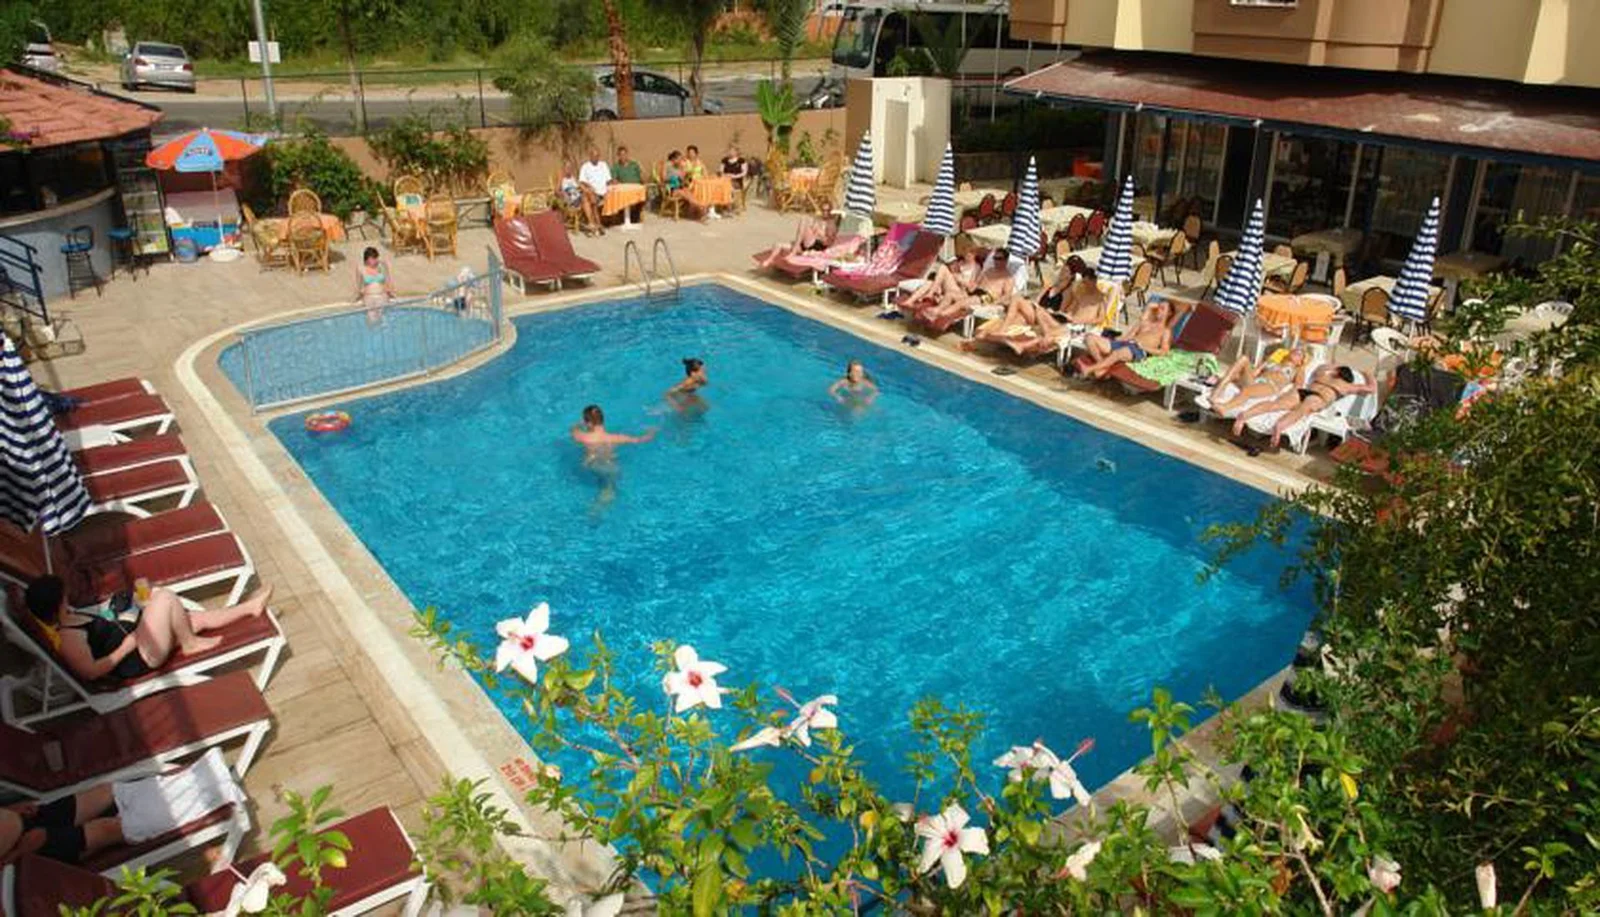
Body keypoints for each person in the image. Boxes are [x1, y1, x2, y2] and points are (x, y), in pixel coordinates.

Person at [0, 748, 241, 867]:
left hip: (28, 820)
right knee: (109, 827)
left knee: (106, 791)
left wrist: (13, 810)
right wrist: (17, 854)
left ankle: (195, 780)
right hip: (29, 856)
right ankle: (209, 797)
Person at [24, 575, 273, 685]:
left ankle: (250, 608)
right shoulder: (68, 638)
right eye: (63, 595)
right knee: (164, 597)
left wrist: (125, 610)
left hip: (136, 639)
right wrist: (125, 648)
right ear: (57, 604)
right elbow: (91, 672)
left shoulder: (70, 615)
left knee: (193, 619)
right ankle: (190, 644)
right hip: (138, 657)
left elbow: (102, 629)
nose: (67, 595)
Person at [1233, 363, 1374, 448]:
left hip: (1303, 391)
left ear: (1337, 372)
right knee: (1299, 412)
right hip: (1318, 398)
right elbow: (1371, 388)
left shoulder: (1323, 375)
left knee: (1274, 405)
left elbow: (1322, 366)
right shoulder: (1347, 386)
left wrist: (1334, 367)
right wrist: (1368, 374)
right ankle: (1279, 428)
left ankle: (1244, 416)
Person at [913, 249, 1016, 333]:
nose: (996, 261)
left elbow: (1007, 295)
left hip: (987, 297)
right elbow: (975, 284)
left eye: (999, 259)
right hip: (975, 292)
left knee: (961, 303)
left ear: (1005, 260)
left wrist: (995, 303)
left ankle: (939, 314)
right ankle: (937, 309)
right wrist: (964, 286)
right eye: (995, 258)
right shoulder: (989, 271)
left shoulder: (1008, 277)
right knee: (950, 294)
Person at [571, 405, 656, 505]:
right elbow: (641, 440)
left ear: (588, 423)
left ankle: (598, 507)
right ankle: (606, 496)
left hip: (594, 465)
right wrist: (651, 431)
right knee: (609, 485)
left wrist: (578, 424)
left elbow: (573, 430)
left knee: (604, 487)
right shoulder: (616, 438)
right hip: (613, 467)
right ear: (603, 420)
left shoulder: (584, 438)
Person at [1075, 299, 1173, 379]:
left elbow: (1164, 351)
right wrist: (1112, 339)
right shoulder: (1145, 322)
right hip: (1126, 343)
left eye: (1162, 309)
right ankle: (1102, 366)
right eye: (1158, 307)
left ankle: (1088, 369)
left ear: (1169, 313)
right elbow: (1127, 337)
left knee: (1119, 352)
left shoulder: (1165, 331)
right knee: (1089, 338)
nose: (1158, 310)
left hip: (1138, 350)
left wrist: (1144, 347)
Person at [1206, 349, 1308, 417]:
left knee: (1247, 390)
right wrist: (1237, 377)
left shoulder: (1298, 370)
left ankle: (1225, 408)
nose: (1296, 352)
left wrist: (1286, 398)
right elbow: (1255, 373)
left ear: (1300, 362)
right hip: (1257, 381)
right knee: (1244, 359)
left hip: (1270, 386)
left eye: (1299, 354)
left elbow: (1298, 386)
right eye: (1295, 350)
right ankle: (1216, 393)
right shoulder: (1273, 362)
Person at [968, 295, 1068, 356]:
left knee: (1018, 300)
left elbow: (1065, 311)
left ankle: (1002, 331)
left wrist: (1056, 313)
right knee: (1018, 316)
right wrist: (1032, 302)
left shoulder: (1067, 291)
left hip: (1051, 317)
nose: (1063, 272)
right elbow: (1038, 299)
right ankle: (989, 336)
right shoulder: (1050, 287)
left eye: (1066, 270)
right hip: (1038, 312)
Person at [353, 246, 394, 325]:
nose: (375, 260)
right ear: (367, 259)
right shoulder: (361, 268)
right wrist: (358, 296)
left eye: (376, 258)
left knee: (383, 320)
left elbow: (388, 279)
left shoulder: (380, 267)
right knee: (371, 319)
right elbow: (358, 285)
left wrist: (390, 292)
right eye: (373, 258)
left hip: (382, 295)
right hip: (369, 297)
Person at [577, 148, 612, 235]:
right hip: (591, 193)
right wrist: (588, 190)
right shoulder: (585, 167)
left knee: (586, 198)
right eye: (593, 156)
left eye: (597, 156)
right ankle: (596, 224)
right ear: (590, 156)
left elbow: (608, 181)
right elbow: (581, 182)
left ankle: (593, 224)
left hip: (602, 193)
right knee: (587, 197)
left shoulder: (603, 165)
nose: (595, 158)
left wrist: (608, 192)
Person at [612, 146, 646, 223]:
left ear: (627, 154)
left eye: (624, 154)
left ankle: (635, 216)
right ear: (618, 156)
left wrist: (643, 183)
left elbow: (641, 176)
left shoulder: (634, 164)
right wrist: (615, 181)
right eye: (621, 155)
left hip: (636, 188)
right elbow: (614, 179)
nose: (623, 156)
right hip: (624, 190)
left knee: (642, 195)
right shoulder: (616, 167)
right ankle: (628, 217)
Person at [664, 150, 702, 219]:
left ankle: (696, 208)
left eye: (681, 159)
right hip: (671, 189)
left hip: (679, 187)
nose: (680, 161)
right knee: (684, 193)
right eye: (679, 159)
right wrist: (673, 177)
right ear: (674, 159)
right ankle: (699, 206)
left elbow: (681, 179)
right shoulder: (667, 165)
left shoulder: (679, 167)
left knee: (688, 192)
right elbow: (664, 179)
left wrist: (683, 171)